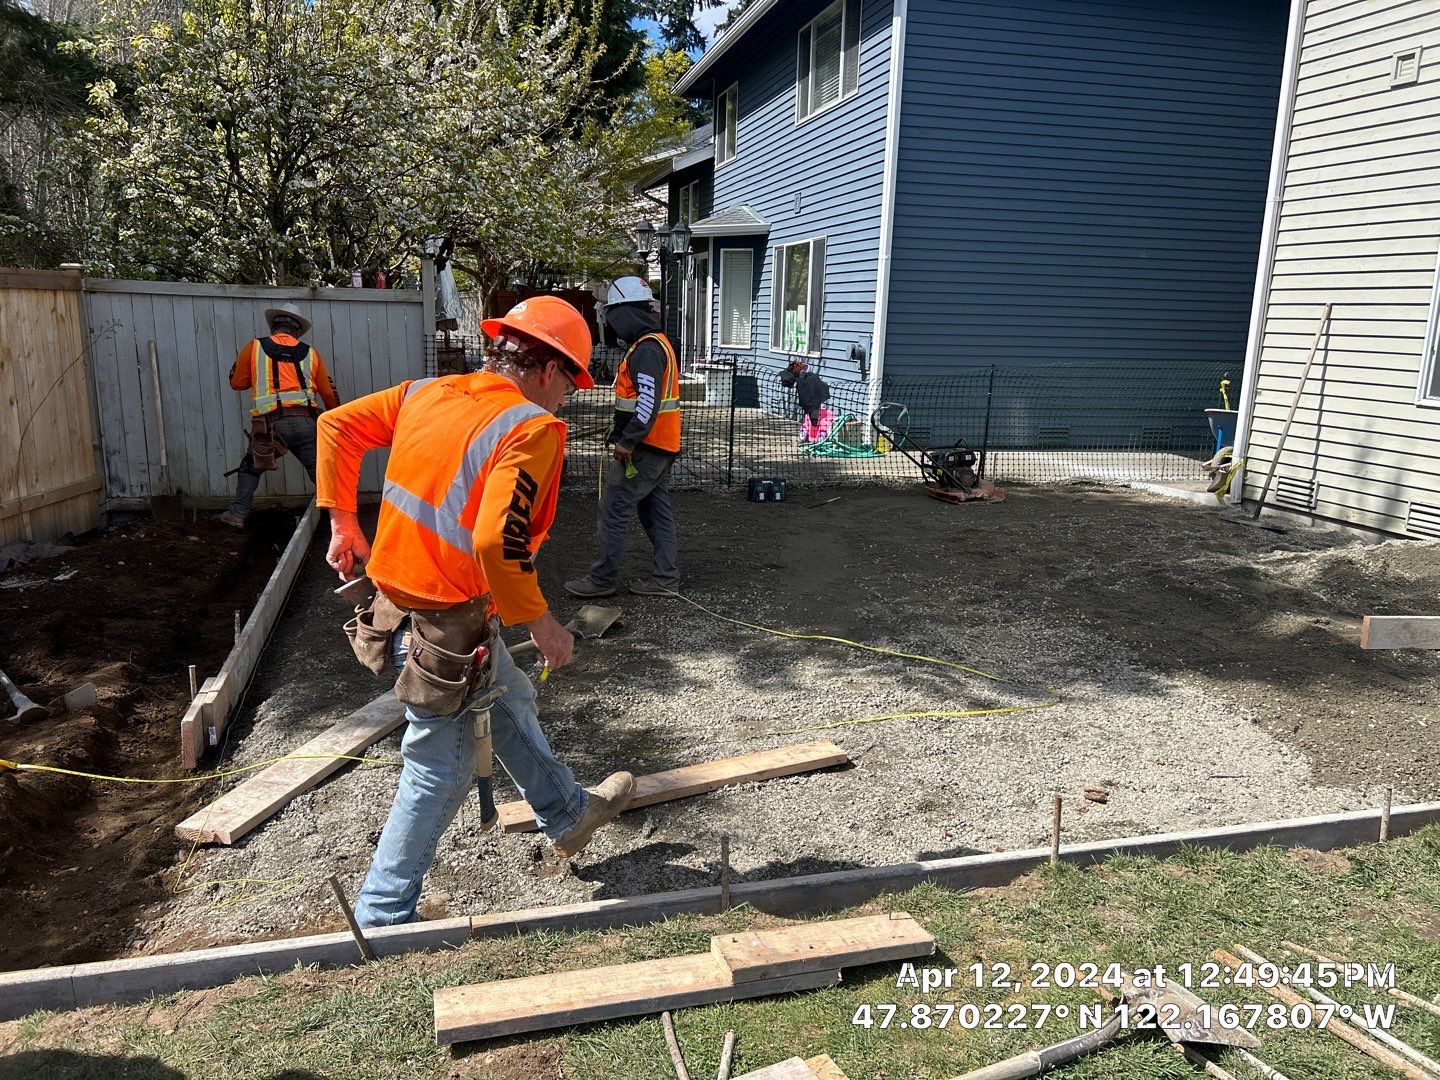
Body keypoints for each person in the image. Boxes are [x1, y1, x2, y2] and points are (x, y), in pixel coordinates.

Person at [316, 296, 636, 928]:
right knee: (439, 767)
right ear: (548, 371)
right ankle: (382, 914)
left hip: (402, 600)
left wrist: (344, 523)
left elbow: (336, 427)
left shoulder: (425, 393)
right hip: (448, 622)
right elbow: (497, 540)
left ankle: (568, 813)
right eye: (572, 382)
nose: (569, 398)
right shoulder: (530, 428)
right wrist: (542, 623)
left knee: (509, 696)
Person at [565, 276, 681, 599]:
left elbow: (647, 402)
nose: (610, 322)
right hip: (662, 446)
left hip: (646, 447)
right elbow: (636, 402)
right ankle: (665, 579)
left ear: (626, 313)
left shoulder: (646, 350)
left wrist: (628, 441)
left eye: (612, 313)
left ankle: (602, 580)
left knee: (614, 508)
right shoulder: (655, 345)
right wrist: (619, 431)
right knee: (655, 511)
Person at [220, 302, 341, 527]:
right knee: (320, 470)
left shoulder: (254, 347)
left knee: (251, 467)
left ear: (274, 327)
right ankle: (340, 517)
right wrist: (336, 417)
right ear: (297, 330)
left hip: (270, 426)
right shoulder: (311, 353)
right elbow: (328, 391)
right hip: (306, 423)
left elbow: (237, 383)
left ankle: (236, 515)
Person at [780, 359, 833, 444]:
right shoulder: (799, 375)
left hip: (814, 399)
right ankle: (808, 433)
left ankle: (819, 434)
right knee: (809, 418)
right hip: (811, 400)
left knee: (815, 417)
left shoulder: (809, 377)